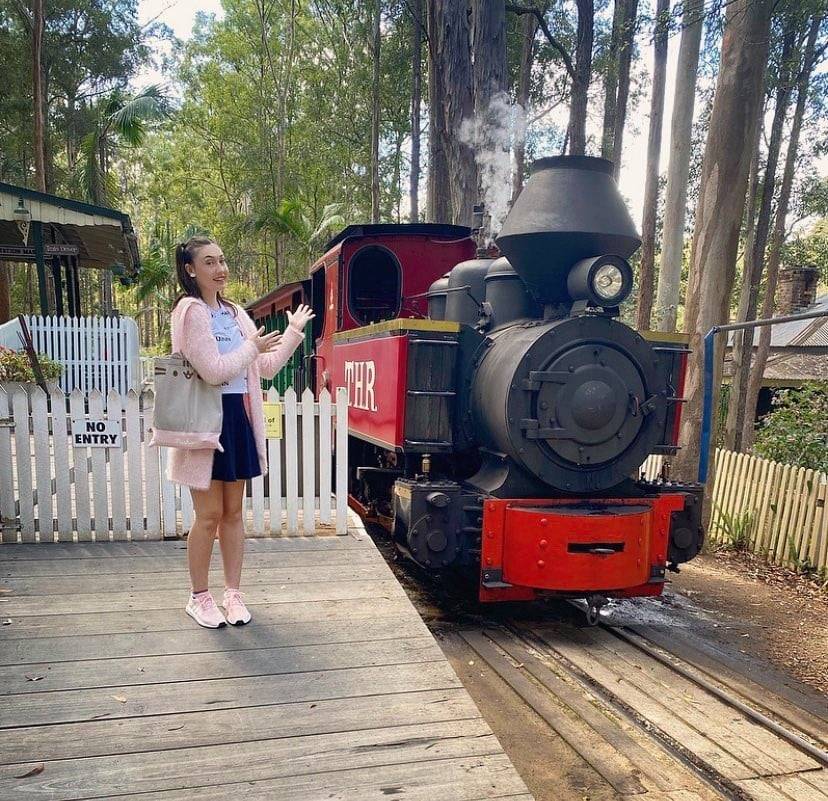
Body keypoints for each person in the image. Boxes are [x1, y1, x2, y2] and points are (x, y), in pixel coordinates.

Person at [167, 235, 314, 628]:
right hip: (205, 418)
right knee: (208, 515)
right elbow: (212, 371)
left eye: (222, 260)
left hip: (236, 417)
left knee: (233, 514)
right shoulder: (190, 311)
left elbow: (264, 367)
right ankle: (199, 596)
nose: (220, 269)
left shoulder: (233, 312)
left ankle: (233, 594)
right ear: (190, 270)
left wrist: (293, 332)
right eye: (209, 262)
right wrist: (251, 347)